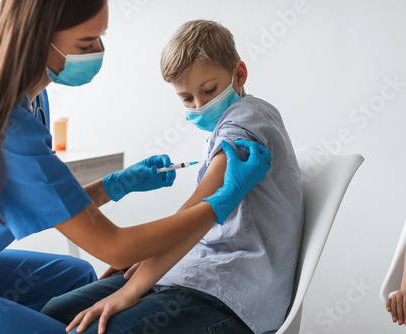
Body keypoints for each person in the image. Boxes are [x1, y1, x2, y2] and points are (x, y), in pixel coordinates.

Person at [0, 2, 271, 334]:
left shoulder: (32, 99)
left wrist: (117, 185)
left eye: (100, 37)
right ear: (38, 40)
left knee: (75, 273)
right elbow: (116, 248)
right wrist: (220, 203)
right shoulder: (7, 130)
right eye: (85, 43)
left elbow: (53, 202)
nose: (98, 51)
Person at [40, 20, 304, 334]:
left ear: (239, 74)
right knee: (56, 314)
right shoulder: (233, 123)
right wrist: (153, 260)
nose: (199, 105)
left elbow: (199, 210)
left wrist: (132, 289)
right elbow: (194, 219)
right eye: (186, 98)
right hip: (198, 271)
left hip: (233, 291)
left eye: (209, 91)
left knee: (109, 328)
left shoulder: (245, 124)